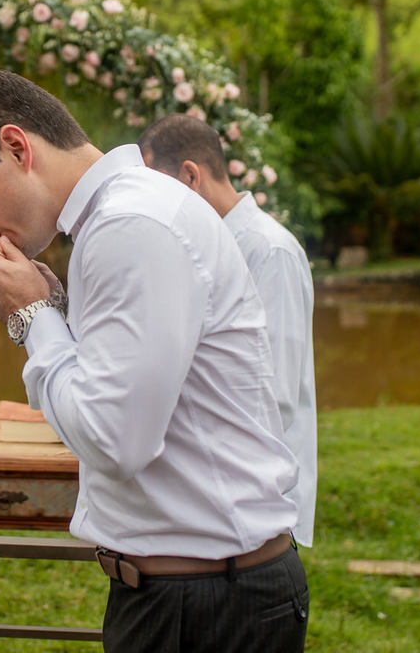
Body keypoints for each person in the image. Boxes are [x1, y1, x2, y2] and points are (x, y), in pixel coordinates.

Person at [0, 70, 307, 652]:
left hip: (204, 605)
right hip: (194, 590)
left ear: (17, 147)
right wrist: (55, 311)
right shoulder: (127, 214)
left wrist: (33, 318)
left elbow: (113, 440)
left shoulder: (127, 224)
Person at [138, 113, 317, 549]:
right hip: (212, 498)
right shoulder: (198, 246)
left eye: (157, 190)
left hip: (259, 502)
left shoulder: (269, 252)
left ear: (190, 176)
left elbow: (272, 390)